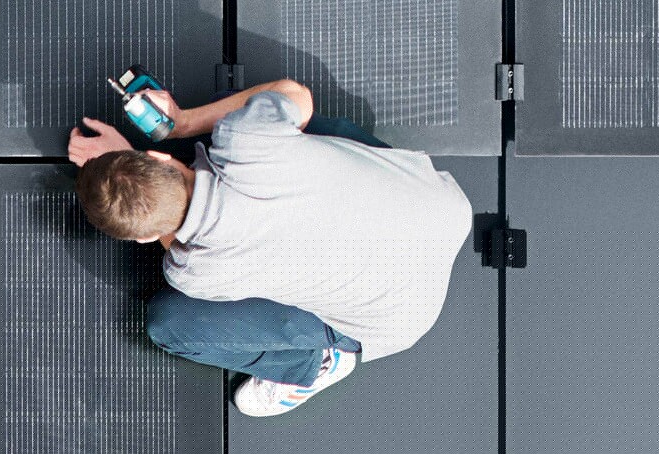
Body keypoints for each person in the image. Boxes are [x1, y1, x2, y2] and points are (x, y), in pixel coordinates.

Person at [66, 77, 475, 417]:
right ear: (159, 156)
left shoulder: (194, 272)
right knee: (297, 123)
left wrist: (129, 181)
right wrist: (179, 123)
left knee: (169, 323)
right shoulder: (244, 137)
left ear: (141, 236)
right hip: (442, 207)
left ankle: (317, 364)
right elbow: (297, 95)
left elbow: (176, 237)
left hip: (397, 316)